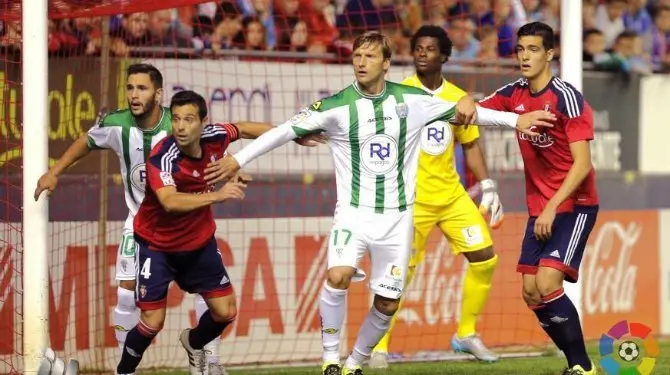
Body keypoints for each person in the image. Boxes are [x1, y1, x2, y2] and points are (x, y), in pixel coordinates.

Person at [206, 31, 554, 375]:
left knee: (387, 301)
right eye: (357, 56)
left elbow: (474, 115)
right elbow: (282, 131)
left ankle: (356, 361)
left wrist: (516, 120)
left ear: (386, 63)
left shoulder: (412, 100)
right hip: (353, 216)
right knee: (338, 275)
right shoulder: (336, 106)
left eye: (370, 56)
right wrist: (240, 159)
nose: (361, 62)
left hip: (398, 220)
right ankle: (330, 358)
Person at [33, 64, 323, 375]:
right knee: (136, 303)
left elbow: (244, 129)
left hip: (196, 235)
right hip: (148, 230)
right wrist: (54, 171)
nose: (134, 94)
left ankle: (206, 358)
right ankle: (125, 367)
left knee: (223, 309)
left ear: (160, 95)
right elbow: (164, 197)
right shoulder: (150, 145)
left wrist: (292, 135)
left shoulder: (191, 126)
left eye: (141, 88)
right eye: (130, 87)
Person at [370, 25, 502, 368]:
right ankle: (378, 346)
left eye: (429, 48)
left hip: (451, 196)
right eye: (417, 48)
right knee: (397, 275)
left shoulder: (458, 97)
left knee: (485, 257)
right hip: (412, 202)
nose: (422, 53)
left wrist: (487, 185)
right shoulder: (397, 95)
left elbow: (470, 145)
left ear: (444, 55)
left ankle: (466, 335)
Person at [478, 22, 599, 375]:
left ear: (550, 54)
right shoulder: (514, 94)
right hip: (540, 208)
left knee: (547, 282)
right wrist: (461, 101)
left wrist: (550, 206)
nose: (525, 56)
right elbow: (477, 110)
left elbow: (583, 165)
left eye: (533, 49)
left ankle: (582, 366)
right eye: (520, 49)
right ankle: (574, 362)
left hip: (575, 205)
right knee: (531, 293)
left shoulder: (567, 98)